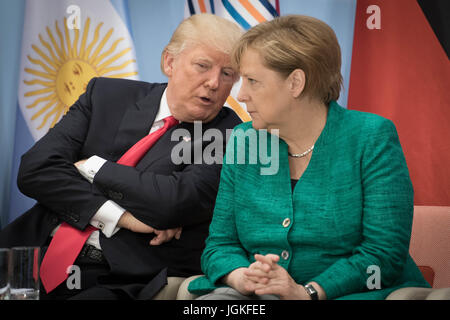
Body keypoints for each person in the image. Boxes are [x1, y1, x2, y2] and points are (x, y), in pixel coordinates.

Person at [0, 13, 242, 300]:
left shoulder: (230, 133)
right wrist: (123, 217)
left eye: (228, 74)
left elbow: (173, 202)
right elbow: (35, 170)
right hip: (31, 249)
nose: (214, 83)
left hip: (117, 277)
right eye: (203, 66)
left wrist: (92, 167)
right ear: (169, 62)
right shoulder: (105, 95)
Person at [187, 15, 430, 300]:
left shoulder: (371, 137)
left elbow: (383, 255)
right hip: (256, 295)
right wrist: (243, 277)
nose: (241, 95)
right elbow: (219, 245)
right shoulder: (244, 140)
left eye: (253, 81)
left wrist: (308, 293)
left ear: (296, 83)